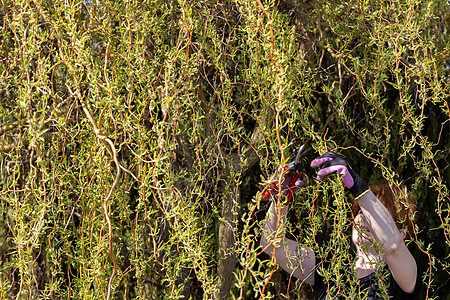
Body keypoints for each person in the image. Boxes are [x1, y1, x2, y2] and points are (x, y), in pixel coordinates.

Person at [260, 151, 421, 299]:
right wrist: (281, 200)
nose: (364, 219)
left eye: (372, 216)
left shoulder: (403, 276)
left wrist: (358, 187)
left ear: (401, 234)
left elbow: (392, 245)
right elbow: (272, 245)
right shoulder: (333, 270)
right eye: (361, 212)